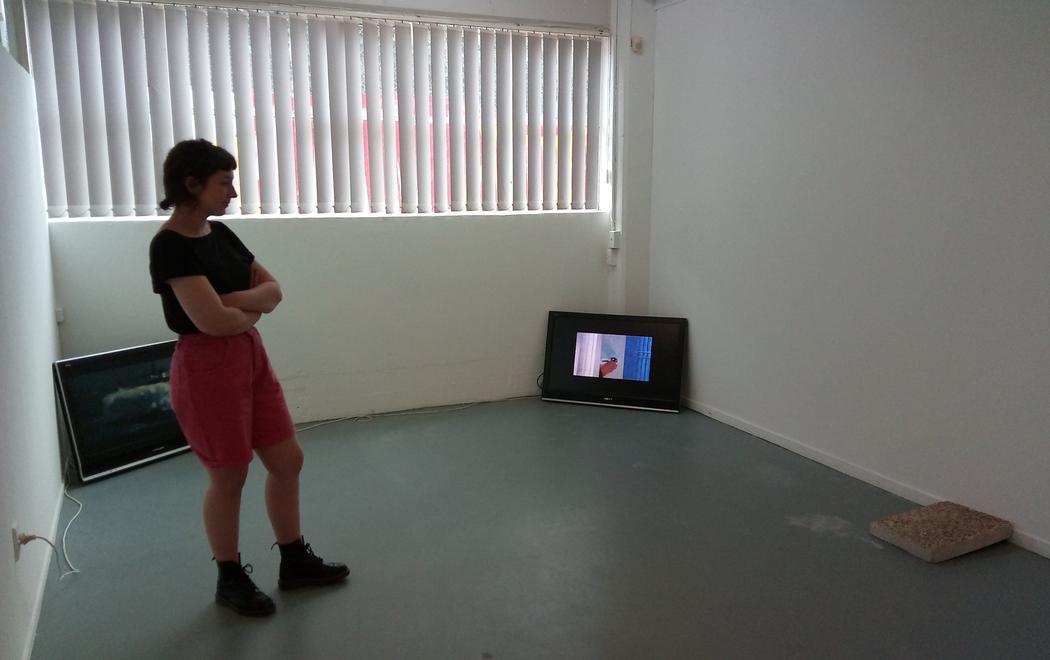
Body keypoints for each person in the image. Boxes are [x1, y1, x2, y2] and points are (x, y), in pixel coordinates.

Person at [149, 139, 348, 617]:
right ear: (191, 184)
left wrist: (230, 304)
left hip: (249, 358)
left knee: (287, 459)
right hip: (205, 368)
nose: (232, 192)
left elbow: (274, 292)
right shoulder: (169, 246)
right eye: (223, 182)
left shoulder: (221, 235)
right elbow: (211, 323)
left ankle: (294, 559)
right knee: (230, 475)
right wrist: (245, 307)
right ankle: (229, 576)